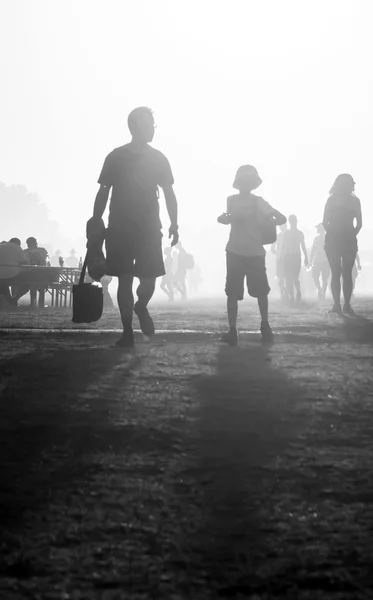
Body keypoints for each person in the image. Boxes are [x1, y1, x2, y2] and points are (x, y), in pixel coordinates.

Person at [90, 107, 179, 347]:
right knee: (125, 279)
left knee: (149, 280)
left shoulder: (158, 158)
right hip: (119, 226)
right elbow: (104, 190)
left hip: (149, 227)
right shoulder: (116, 156)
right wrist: (96, 221)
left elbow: (169, 192)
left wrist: (174, 222)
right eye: (150, 124)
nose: (153, 129)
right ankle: (127, 331)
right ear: (138, 126)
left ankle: (141, 306)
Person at [217, 165, 286, 345]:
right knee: (252, 292)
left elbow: (280, 218)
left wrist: (262, 219)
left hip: (243, 252)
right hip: (245, 252)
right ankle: (256, 327)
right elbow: (280, 219)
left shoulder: (255, 202)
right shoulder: (250, 202)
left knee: (243, 292)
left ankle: (242, 329)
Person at [322, 174, 362, 315]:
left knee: (336, 273)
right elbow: (359, 224)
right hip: (346, 239)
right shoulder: (354, 201)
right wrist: (350, 234)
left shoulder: (332, 200)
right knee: (345, 273)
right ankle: (345, 305)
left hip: (334, 240)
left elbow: (325, 222)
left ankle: (338, 305)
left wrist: (334, 234)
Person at [281, 214, 309, 303]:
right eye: (292, 221)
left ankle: (296, 292)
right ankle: (293, 295)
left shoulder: (298, 233)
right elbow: (283, 246)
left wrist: (306, 257)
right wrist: (281, 256)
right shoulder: (288, 233)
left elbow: (303, 246)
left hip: (294, 256)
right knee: (290, 278)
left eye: (294, 221)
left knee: (294, 277)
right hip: (290, 256)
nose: (293, 222)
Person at [0, 238, 29, 307]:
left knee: (3, 284)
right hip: (13, 274)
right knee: (28, 283)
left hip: (0, 274)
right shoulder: (17, 248)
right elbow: (24, 260)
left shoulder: (1, 246)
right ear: (18, 243)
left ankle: (9, 299)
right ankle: (14, 299)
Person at [310, 224, 330, 299]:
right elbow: (313, 250)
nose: (317, 230)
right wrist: (310, 261)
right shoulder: (316, 238)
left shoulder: (327, 237)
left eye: (318, 228)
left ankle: (323, 293)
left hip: (325, 260)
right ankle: (320, 289)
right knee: (315, 277)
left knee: (324, 278)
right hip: (317, 260)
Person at [271, 223, 287, 299]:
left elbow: (272, 248)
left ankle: (285, 292)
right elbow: (272, 248)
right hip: (282, 259)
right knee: (282, 277)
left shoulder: (287, 235)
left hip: (286, 259)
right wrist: (278, 253)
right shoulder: (278, 236)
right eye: (281, 227)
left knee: (285, 277)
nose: (282, 228)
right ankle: (283, 292)